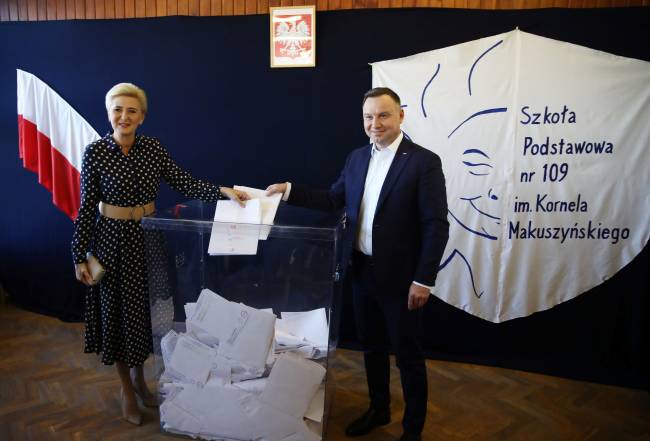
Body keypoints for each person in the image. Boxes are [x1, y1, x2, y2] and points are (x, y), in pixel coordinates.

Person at [266, 87, 449, 441]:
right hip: (362, 272)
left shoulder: (424, 162)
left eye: (383, 115)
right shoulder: (356, 158)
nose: (374, 123)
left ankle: (413, 430)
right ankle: (379, 410)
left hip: (403, 279)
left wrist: (424, 280)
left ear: (400, 116)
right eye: (368, 116)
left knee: (408, 357)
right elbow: (334, 198)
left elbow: (435, 224)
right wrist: (289, 189)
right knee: (373, 348)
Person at [71, 83, 248, 425]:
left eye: (132, 110)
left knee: (144, 314)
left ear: (143, 117)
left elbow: (183, 182)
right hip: (110, 243)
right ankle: (126, 388)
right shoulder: (95, 152)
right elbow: (86, 206)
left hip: (147, 239)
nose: (124, 116)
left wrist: (222, 191)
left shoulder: (152, 148)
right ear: (109, 113)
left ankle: (140, 379)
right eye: (118, 109)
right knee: (118, 316)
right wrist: (79, 254)